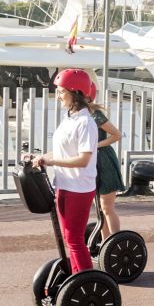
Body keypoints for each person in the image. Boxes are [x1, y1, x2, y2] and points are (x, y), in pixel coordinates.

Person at [30, 68, 98, 274]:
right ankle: (77, 280)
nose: (58, 96)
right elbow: (62, 151)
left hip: (79, 188)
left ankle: (86, 281)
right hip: (64, 185)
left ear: (75, 92)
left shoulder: (86, 123)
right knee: (70, 239)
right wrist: (41, 158)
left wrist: (51, 162)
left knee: (75, 239)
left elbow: (83, 159)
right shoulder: (70, 119)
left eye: (61, 92)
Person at [86, 82, 126, 239]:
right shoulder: (79, 115)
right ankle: (105, 243)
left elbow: (116, 134)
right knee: (99, 209)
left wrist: (96, 145)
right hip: (91, 160)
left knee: (106, 207)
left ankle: (115, 242)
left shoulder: (95, 115)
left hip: (104, 161)